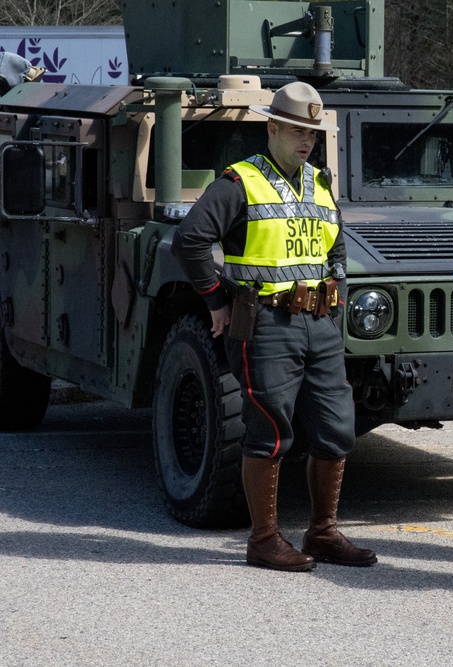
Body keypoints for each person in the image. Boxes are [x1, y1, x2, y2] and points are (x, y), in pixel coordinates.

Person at [172, 81, 376, 572]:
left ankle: (323, 533)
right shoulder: (239, 183)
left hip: (320, 324)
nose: (305, 140)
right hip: (265, 325)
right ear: (273, 127)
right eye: (296, 130)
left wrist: (338, 294)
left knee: (336, 430)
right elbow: (190, 239)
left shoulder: (320, 183)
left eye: (311, 131)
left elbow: (336, 247)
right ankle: (264, 540)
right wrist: (217, 302)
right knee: (268, 431)